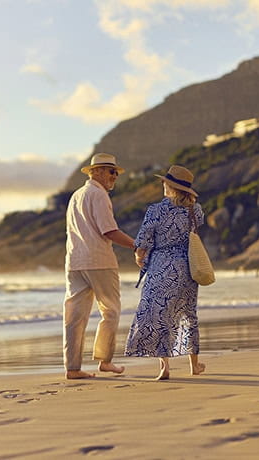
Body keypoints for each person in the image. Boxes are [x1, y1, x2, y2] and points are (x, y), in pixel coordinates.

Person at [125, 165, 206, 380]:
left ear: (169, 186)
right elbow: (195, 230)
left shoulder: (156, 210)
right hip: (187, 268)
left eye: (165, 182)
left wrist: (139, 257)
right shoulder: (195, 209)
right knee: (188, 314)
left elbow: (142, 242)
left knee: (159, 314)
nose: (163, 184)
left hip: (161, 266)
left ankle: (165, 367)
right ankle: (194, 365)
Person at [63, 153, 136, 379]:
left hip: (74, 262)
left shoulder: (76, 195)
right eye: (111, 171)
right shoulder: (99, 195)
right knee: (111, 311)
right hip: (99, 261)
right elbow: (109, 231)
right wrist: (137, 245)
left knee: (74, 316)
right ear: (97, 172)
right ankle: (105, 361)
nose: (115, 176)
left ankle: (72, 368)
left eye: (116, 172)